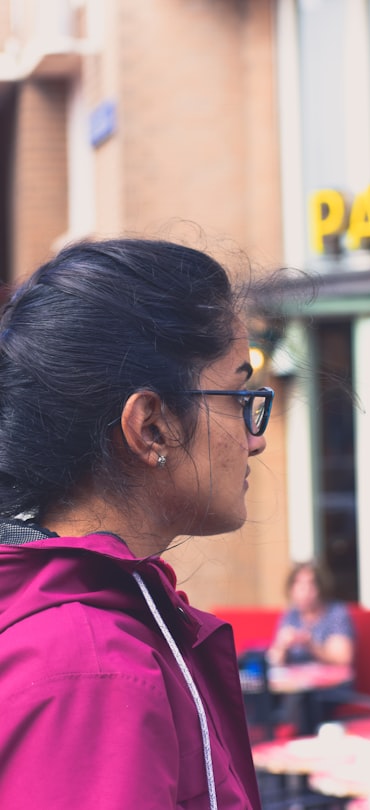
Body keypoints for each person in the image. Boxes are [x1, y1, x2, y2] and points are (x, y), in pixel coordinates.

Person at [0, 237, 275, 809]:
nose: (256, 438)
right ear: (150, 427)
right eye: (237, 394)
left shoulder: (95, 630)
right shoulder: (89, 666)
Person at [267, 561, 355, 667]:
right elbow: (273, 660)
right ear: (291, 590)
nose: (305, 591)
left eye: (311, 584)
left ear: (321, 588)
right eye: (299, 585)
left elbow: (343, 659)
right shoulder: (290, 615)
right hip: (295, 682)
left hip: (330, 682)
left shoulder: (336, 613)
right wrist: (282, 646)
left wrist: (310, 644)